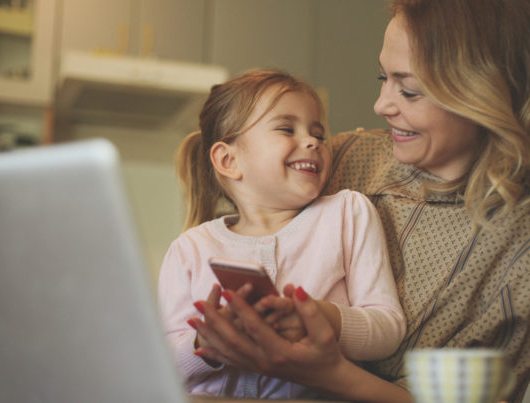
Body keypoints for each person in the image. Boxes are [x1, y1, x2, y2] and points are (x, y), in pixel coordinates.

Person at [188, 1, 530, 402]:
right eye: (383, 77)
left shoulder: (528, 253)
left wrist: (330, 373)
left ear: (485, 90)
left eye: (408, 90)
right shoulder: (349, 157)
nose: (381, 105)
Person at [157, 69, 406, 399]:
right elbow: (162, 364)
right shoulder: (189, 248)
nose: (313, 141)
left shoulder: (347, 213)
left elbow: (389, 329)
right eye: (287, 129)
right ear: (229, 160)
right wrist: (206, 343)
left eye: (317, 132)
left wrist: (325, 319)